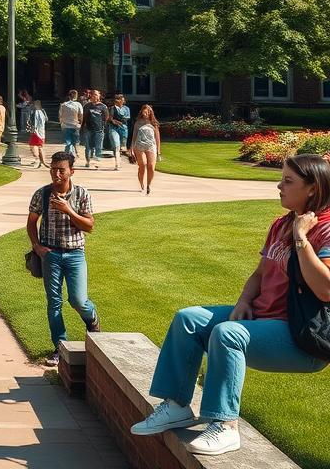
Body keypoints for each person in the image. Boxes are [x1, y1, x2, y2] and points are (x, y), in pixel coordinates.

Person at [131, 155, 330, 456]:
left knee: (228, 333)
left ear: (313, 188)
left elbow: (325, 289)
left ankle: (225, 425)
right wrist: (245, 300)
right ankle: (176, 405)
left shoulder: (325, 229)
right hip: (262, 319)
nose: (279, 185)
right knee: (189, 319)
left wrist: (301, 238)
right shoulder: (281, 224)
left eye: (288, 181)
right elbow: (261, 273)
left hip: (301, 337)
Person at [27, 151, 101, 366]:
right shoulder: (42, 194)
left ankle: (92, 320)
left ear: (71, 171)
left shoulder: (81, 194)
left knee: (78, 300)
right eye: (53, 169)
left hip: (75, 254)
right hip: (51, 255)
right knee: (54, 303)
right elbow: (32, 222)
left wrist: (68, 210)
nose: (56, 173)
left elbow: (89, 226)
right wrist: (38, 247)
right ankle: (59, 347)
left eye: (61, 170)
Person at [131, 104, 162, 194]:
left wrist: (158, 151)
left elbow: (157, 138)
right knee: (142, 165)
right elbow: (134, 136)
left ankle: (149, 185)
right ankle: (141, 183)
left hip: (151, 146)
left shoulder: (154, 123)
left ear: (150, 113)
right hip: (139, 146)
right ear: (141, 112)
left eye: (148, 112)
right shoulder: (138, 123)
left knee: (151, 167)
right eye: (144, 111)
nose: (146, 113)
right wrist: (131, 149)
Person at [84, 89, 109, 169]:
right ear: (90, 95)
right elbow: (84, 117)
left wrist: (102, 125)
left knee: (98, 147)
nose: (95, 96)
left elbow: (106, 117)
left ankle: (97, 162)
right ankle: (88, 161)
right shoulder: (87, 106)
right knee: (88, 147)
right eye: (93, 94)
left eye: (96, 94)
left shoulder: (103, 106)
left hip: (99, 129)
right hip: (88, 129)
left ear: (99, 96)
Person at [58, 89, 84, 159]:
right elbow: (81, 115)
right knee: (75, 141)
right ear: (76, 96)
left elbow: (60, 116)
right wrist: (81, 124)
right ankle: (75, 153)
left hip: (66, 125)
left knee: (68, 142)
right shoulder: (78, 104)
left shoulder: (63, 105)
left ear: (69, 96)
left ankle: (67, 155)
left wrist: (61, 124)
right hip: (75, 126)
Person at [109, 92, 131, 158]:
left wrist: (118, 120)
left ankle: (119, 151)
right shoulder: (112, 108)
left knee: (122, 142)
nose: (122, 101)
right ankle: (116, 153)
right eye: (119, 99)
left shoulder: (126, 108)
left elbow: (127, 117)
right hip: (114, 127)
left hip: (123, 127)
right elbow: (110, 118)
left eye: (122, 99)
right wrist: (115, 121)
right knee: (115, 142)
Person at [29, 100, 48, 168]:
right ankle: (43, 161)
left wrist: (32, 130)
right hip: (42, 131)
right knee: (40, 147)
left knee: (33, 145)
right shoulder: (43, 111)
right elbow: (46, 119)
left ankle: (37, 159)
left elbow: (33, 122)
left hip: (36, 131)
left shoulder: (34, 112)